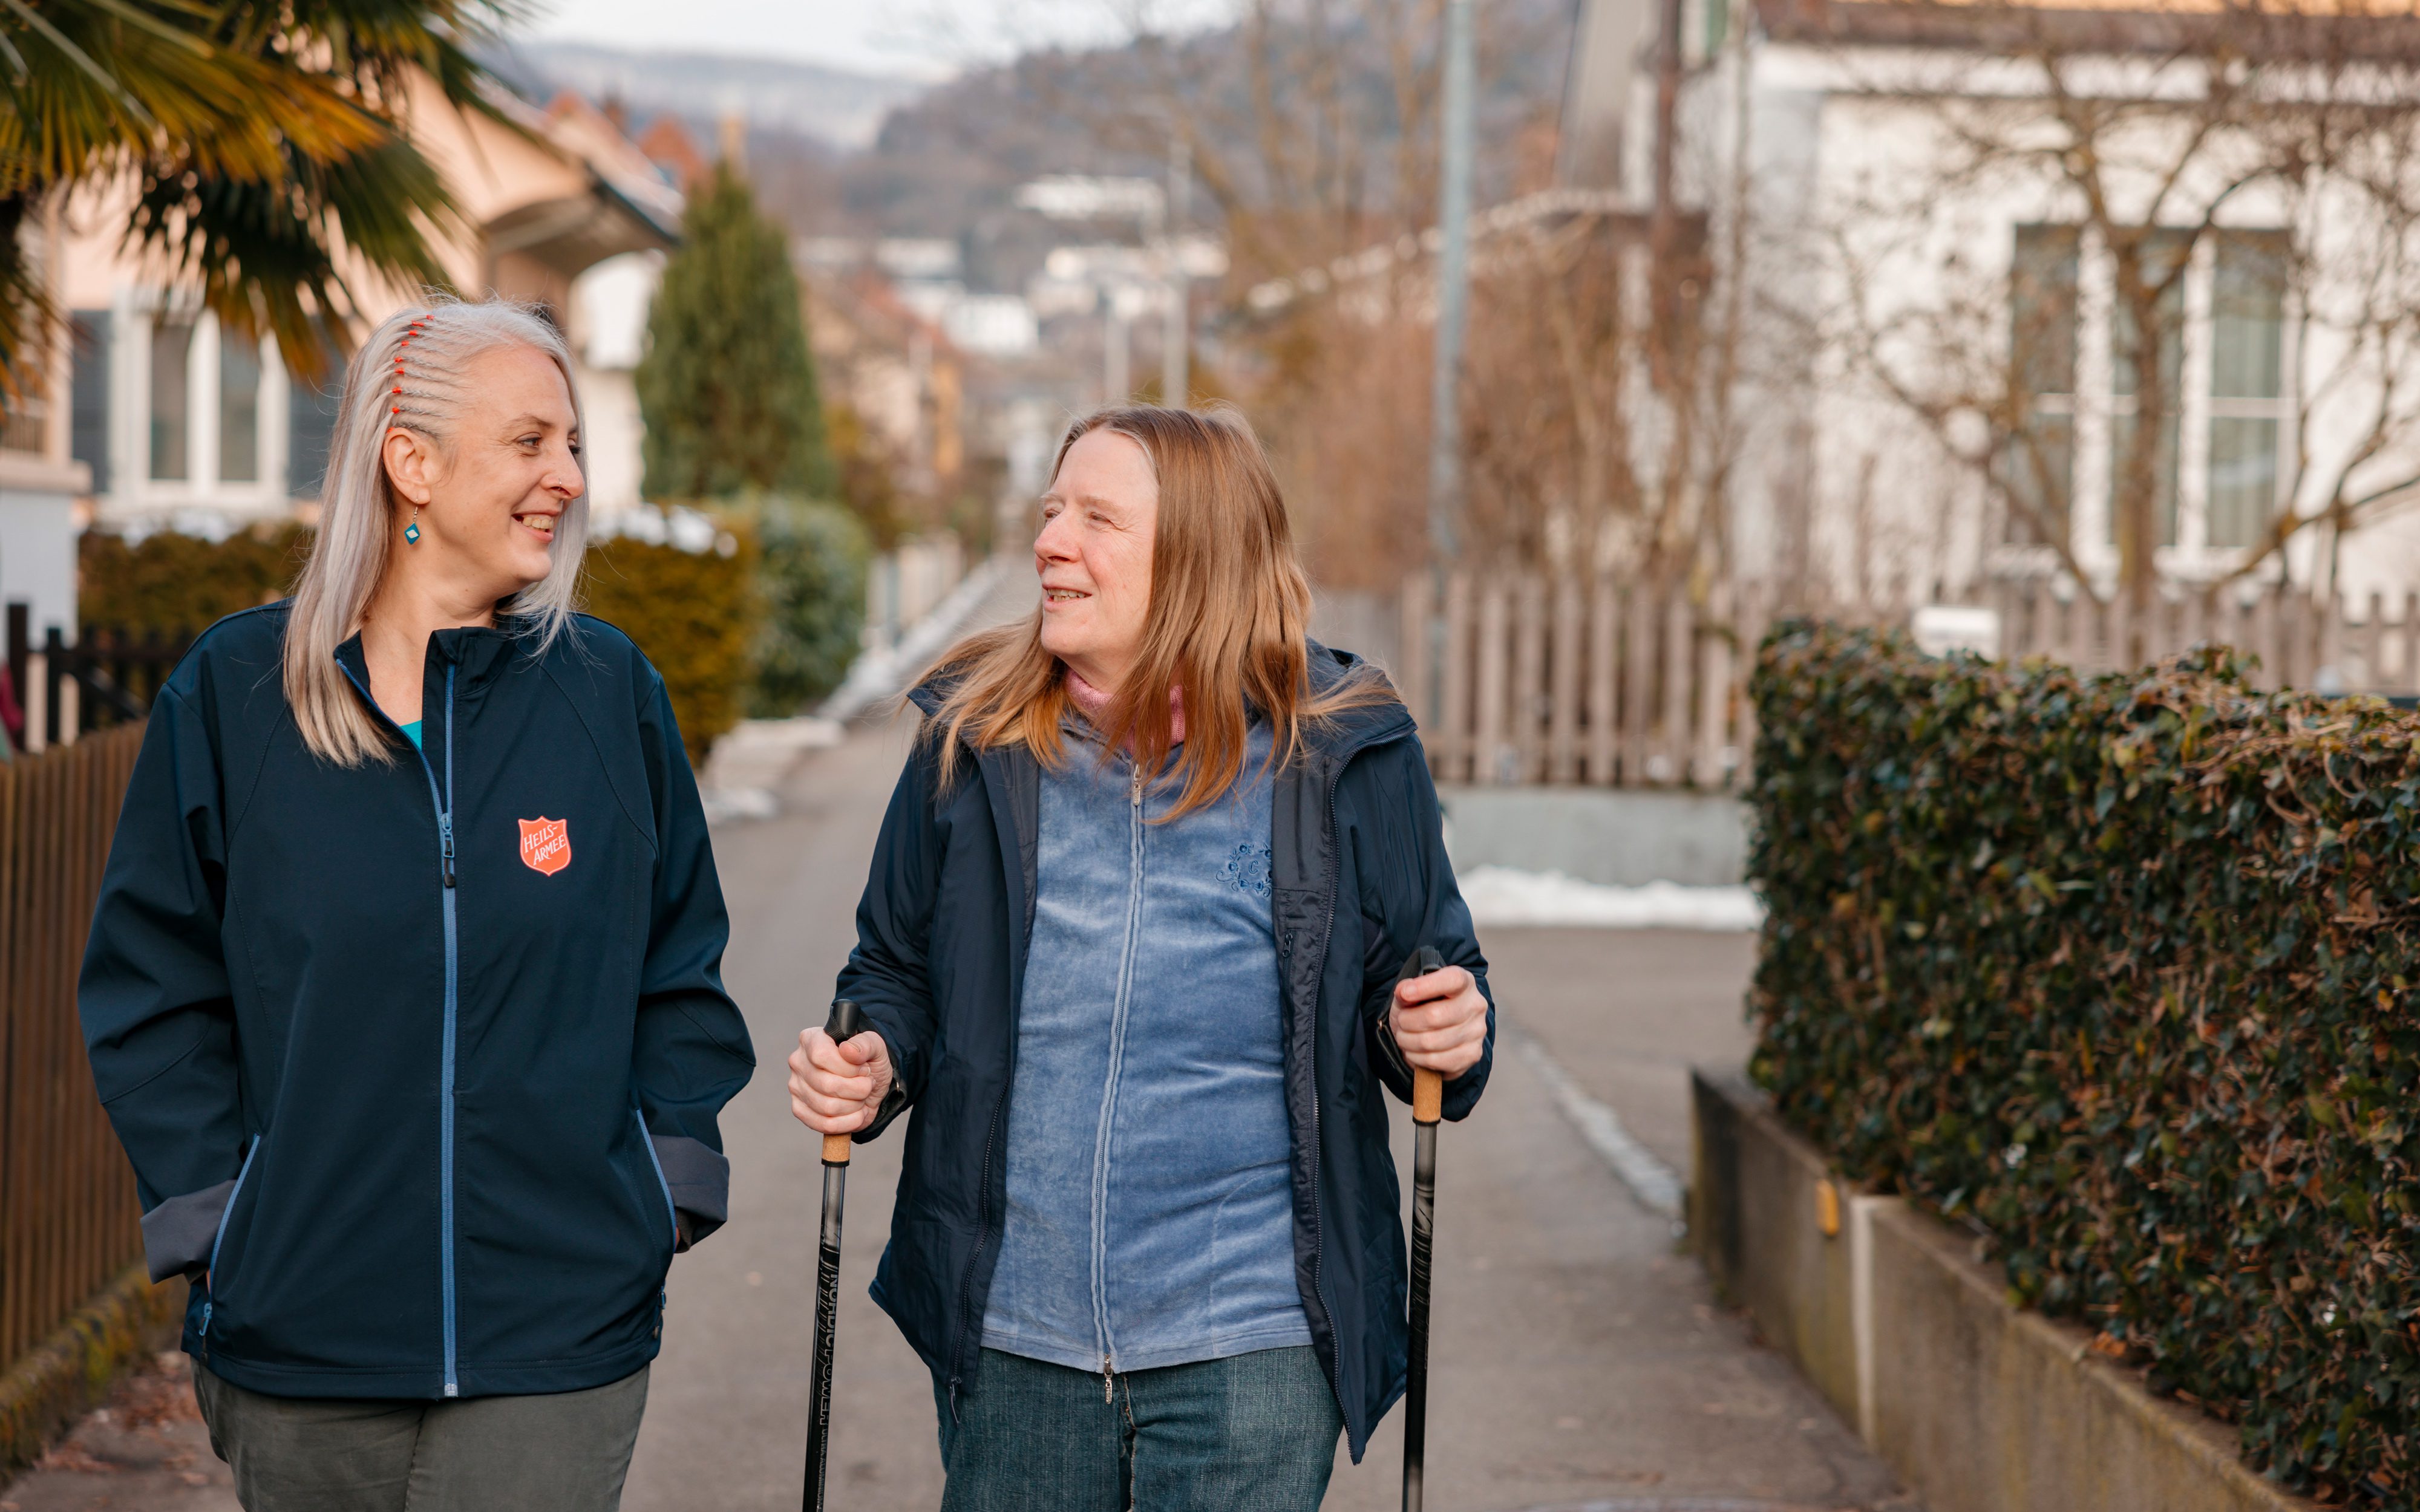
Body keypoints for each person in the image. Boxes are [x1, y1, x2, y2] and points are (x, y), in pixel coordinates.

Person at [78, 298, 753, 1512]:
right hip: (302, 1335)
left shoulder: (608, 695)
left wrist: (665, 1177)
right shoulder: (235, 695)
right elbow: (151, 981)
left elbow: (677, 959)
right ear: (413, 464)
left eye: (573, 446)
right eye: (532, 442)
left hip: (554, 1336)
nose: (567, 477)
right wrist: (219, 1216)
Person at [788, 403, 1493, 1510]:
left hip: (1251, 1344)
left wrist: (1445, 1029)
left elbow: (1429, 990)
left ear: (1201, 558)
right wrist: (871, 1057)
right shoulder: (971, 741)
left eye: (1098, 518)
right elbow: (896, 971)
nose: (1051, 541)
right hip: (1016, 1340)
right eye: (1053, 508)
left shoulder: (1345, 750)